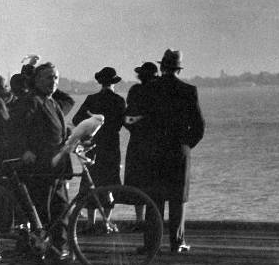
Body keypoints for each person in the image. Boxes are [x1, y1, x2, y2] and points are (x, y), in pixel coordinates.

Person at [132, 50, 205, 254]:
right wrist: (186, 145)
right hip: (178, 152)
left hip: (154, 151)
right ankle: (177, 242)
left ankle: (151, 244)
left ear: (162, 67)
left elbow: (138, 121)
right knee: (177, 199)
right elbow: (199, 126)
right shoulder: (189, 90)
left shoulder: (148, 89)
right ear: (179, 69)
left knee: (153, 199)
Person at [10, 62, 72, 265]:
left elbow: (57, 131)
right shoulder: (30, 101)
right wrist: (24, 149)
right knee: (42, 217)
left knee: (61, 213)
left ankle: (59, 257)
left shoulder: (52, 102)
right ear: (36, 80)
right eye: (48, 78)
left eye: (55, 77)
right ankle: (39, 263)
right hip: (38, 168)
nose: (53, 81)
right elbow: (15, 129)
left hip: (55, 168)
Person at [72, 67, 127, 229]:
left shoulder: (91, 99)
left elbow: (76, 120)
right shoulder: (119, 100)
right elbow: (122, 123)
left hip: (93, 145)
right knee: (110, 184)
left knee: (91, 183)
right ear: (113, 83)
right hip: (111, 145)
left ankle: (91, 222)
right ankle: (107, 222)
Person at [123, 61, 158, 225]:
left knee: (136, 181)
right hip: (155, 143)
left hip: (137, 142)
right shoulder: (159, 91)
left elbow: (126, 117)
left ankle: (139, 219)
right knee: (153, 181)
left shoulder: (135, 91)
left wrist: (134, 129)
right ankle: (153, 219)